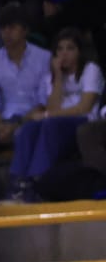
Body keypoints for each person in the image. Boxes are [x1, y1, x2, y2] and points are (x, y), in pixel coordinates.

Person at [0, 4, 53, 198]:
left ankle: (18, 191)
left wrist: (16, 125)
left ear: (25, 30)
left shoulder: (44, 58)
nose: (7, 33)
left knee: (21, 135)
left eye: (12, 27)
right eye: (3, 28)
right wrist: (1, 126)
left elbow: (44, 100)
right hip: (3, 120)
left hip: (34, 117)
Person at [11, 28, 101, 200]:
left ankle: (38, 178)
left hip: (83, 122)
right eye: (60, 49)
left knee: (50, 124)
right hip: (57, 123)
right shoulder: (51, 76)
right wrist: (58, 77)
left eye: (70, 48)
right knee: (30, 127)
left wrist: (48, 116)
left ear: (80, 52)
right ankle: (19, 180)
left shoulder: (90, 70)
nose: (64, 54)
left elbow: (84, 107)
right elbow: (52, 107)